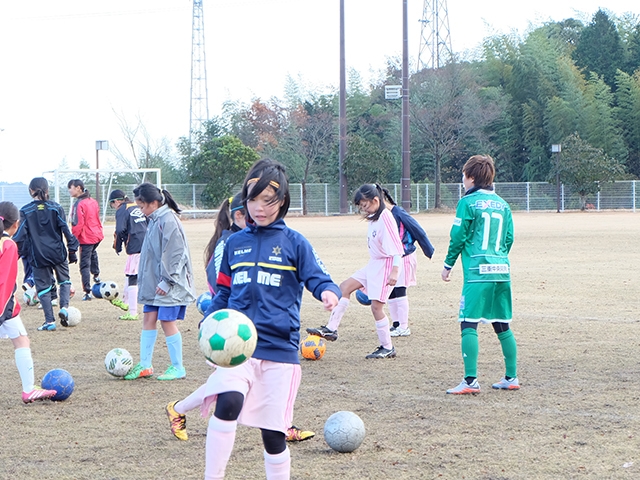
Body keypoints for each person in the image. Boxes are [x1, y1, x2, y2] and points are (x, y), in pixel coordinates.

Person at [190, 159, 340, 479]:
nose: (259, 207)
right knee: (227, 403)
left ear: (282, 201)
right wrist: (211, 317)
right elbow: (223, 294)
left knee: (272, 436)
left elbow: (317, 276)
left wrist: (327, 291)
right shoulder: (234, 243)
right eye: (253, 199)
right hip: (238, 346)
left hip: (279, 349)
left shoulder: (294, 243)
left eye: (268, 200)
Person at [165, 193, 314, 444]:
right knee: (230, 389)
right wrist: (218, 318)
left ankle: (178, 408)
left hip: (256, 329)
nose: (260, 212)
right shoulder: (231, 242)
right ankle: (282, 425)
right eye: (252, 207)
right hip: (230, 327)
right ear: (239, 214)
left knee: (236, 385)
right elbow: (220, 284)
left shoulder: (274, 241)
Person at [441, 154, 519, 394]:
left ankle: (470, 381)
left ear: (471, 177)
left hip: (477, 271)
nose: (462, 181)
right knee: (502, 323)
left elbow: (458, 236)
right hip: (501, 270)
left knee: (468, 322)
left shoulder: (467, 203)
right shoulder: (503, 205)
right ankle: (511, 377)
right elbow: (508, 238)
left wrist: (448, 264)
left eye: (463, 176)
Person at [307, 183, 405, 359]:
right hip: (373, 264)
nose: (364, 209)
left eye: (365, 205)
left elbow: (397, 248)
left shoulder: (385, 217)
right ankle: (331, 329)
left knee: (376, 307)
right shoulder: (375, 217)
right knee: (344, 287)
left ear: (376, 200)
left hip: (386, 266)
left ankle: (387, 347)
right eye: (361, 207)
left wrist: (395, 272)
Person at [124, 183, 196, 381]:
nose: (140, 210)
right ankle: (145, 365)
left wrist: (167, 281)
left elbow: (176, 253)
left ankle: (178, 367)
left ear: (154, 203)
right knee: (148, 319)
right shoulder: (155, 219)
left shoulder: (168, 219)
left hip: (170, 285)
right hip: (155, 285)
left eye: (141, 206)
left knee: (167, 321)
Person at [0, 201, 58, 403]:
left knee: (22, 339)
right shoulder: (8, 245)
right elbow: (4, 282)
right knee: (21, 340)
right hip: (3, 305)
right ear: (16, 224)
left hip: (8, 306)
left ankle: (28, 390)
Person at [13, 177, 79, 331]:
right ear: (47, 190)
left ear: (31, 191)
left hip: (38, 255)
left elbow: (20, 235)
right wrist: (72, 250)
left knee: (43, 287)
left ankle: (49, 321)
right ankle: (64, 307)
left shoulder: (25, 211)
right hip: (58, 252)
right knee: (64, 281)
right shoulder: (56, 208)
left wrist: (13, 248)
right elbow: (65, 230)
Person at [381, 187, 435, 337]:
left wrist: (428, 250)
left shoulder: (398, 213)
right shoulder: (384, 215)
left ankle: (404, 327)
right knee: (391, 291)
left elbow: (418, 230)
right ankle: (396, 324)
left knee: (400, 289)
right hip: (392, 258)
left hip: (405, 256)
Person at [109, 189, 148, 320]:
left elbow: (120, 230)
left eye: (112, 204)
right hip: (147, 242)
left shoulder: (122, 210)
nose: (113, 207)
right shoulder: (137, 206)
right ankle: (125, 303)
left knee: (133, 277)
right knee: (130, 273)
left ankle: (132, 312)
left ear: (117, 201)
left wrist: (118, 246)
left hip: (135, 245)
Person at [68, 179, 104, 301]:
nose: (69, 190)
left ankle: (87, 291)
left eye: (71, 187)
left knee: (84, 263)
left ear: (78, 188)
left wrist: (73, 239)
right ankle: (97, 275)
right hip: (97, 235)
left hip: (86, 237)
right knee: (93, 254)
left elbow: (78, 223)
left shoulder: (79, 203)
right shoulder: (92, 201)